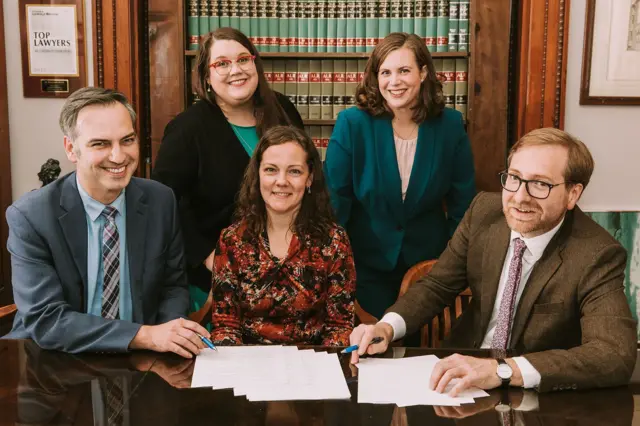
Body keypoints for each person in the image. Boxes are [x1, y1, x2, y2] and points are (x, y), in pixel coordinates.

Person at [349, 128, 637, 394]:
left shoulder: (596, 254)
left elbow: (614, 355)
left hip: (533, 392)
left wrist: (503, 370)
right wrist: (386, 327)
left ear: (573, 193)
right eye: (514, 178)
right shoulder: (485, 212)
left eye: (539, 184)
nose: (519, 197)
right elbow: (437, 285)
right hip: (460, 374)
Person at [4, 87, 209, 358]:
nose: (118, 156)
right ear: (71, 149)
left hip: (141, 358)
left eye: (127, 140)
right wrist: (144, 335)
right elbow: (46, 320)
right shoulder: (31, 216)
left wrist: (168, 334)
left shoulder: (161, 201)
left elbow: (172, 286)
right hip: (53, 362)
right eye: (100, 143)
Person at [324, 32, 476, 321]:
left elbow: (463, 206)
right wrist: (336, 266)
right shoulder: (352, 124)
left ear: (423, 72)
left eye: (404, 70)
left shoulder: (450, 126)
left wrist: (450, 266)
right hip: (364, 267)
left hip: (429, 271)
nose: (394, 82)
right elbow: (334, 202)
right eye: (385, 72)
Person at [152, 27, 304, 314]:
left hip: (290, 271)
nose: (236, 70)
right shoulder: (188, 129)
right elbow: (163, 203)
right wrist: (206, 257)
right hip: (219, 281)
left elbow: (307, 176)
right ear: (206, 77)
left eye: (243, 59)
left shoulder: (282, 110)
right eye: (222, 63)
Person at [210, 126, 355, 346]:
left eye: (294, 171)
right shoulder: (232, 240)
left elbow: (339, 327)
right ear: (257, 174)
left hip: (313, 365)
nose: (281, 181)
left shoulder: (334, 241)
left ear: (309, 178)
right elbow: (225, 325)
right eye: (271, 170)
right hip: (248, 364)